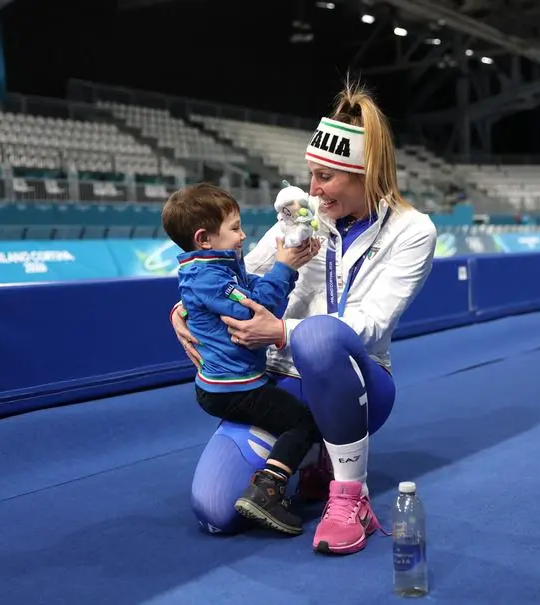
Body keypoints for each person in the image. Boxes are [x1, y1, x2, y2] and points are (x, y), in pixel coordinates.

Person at [170, 79, 438, 555]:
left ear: (366, 173)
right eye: (311, 173)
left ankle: (348, 495)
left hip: (360, 380)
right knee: (215, 510)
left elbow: (371, 322)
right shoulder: (302, 214)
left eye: (326, 177)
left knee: (318, 337)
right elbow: (239, 273)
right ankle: (313, 451)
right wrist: (184, 309)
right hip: (277, 383)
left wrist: (280, 330)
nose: (313, 189)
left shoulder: (413, 230)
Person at [161, 183, 323, 536]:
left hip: (231, 383)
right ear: (204, 238)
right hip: (233, 390)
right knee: (302, 423)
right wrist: (283, 269)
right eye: (235, 228)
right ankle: (268, 490)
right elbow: (256, 312)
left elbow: (246, 286)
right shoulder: (210, 276)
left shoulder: (214, 266)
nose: (243, 235)